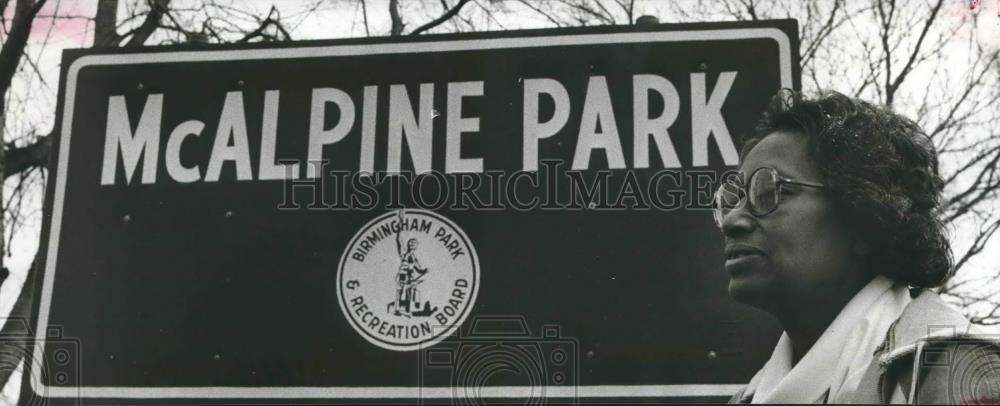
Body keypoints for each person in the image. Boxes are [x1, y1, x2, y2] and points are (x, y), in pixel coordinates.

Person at [714, 90, 1000, 404]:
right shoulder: (747, 398)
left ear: (865, 215)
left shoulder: (961, 372)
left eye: (768, 190)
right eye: (731, 200)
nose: (732, 221)